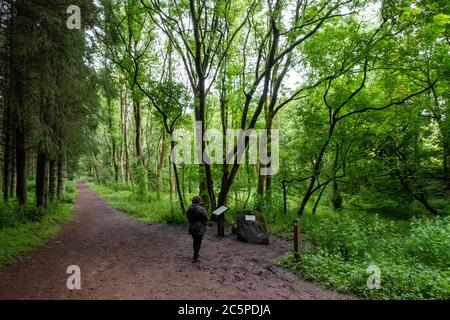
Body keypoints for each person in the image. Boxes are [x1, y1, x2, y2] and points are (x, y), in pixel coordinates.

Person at [186, 196, 208, 263]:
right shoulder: (200, 209)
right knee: (198, 242)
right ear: (199, 201)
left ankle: (196, 254)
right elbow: (206, 218)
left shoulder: (189, 208)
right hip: (199, 227)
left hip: (192, 227)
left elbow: (188, 217)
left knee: (195, 241)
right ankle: (195, 257)